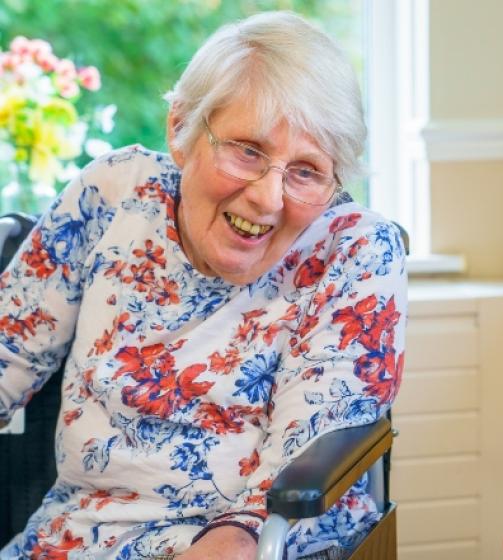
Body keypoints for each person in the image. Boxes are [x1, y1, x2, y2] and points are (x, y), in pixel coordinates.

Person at [0, 11, 406, 560]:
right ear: (181, 129)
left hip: (253, 545)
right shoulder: (114, 193)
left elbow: (308, 454)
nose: (268, 197)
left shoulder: (354, 250)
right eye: (248, 151)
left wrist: (236, 538)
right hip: (72, 539)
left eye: (307, 171)